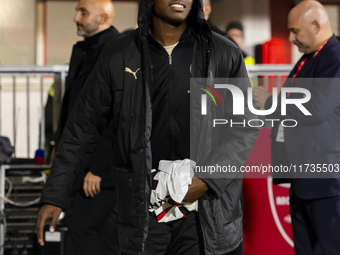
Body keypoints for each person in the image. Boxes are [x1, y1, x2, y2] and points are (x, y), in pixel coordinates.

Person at [36, 0, 259, 254]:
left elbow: (243, 127)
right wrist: (55, 195)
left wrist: (207, 179)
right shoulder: (118, 55)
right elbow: (81, 129)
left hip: (206, 214)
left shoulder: (223, 53)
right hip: (144, 217)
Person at [253, 1, 340, 254]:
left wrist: (270, 102)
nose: (290, 38)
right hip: (304, 177)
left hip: (326, 182)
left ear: (316, 25)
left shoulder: (334, 56)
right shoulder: (310, 59)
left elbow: (316, 108)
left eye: (295, 31)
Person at [52, 0, 121, 254]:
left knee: (85, 233)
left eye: (83, 12)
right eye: (76, 11)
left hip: (99, 171)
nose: (76, 18)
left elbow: (117, 114)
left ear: (102, 18)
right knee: (91, 235)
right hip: (77, 164)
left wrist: (98, 167)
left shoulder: (117, 50)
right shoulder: (82, 50)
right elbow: (72, 109)